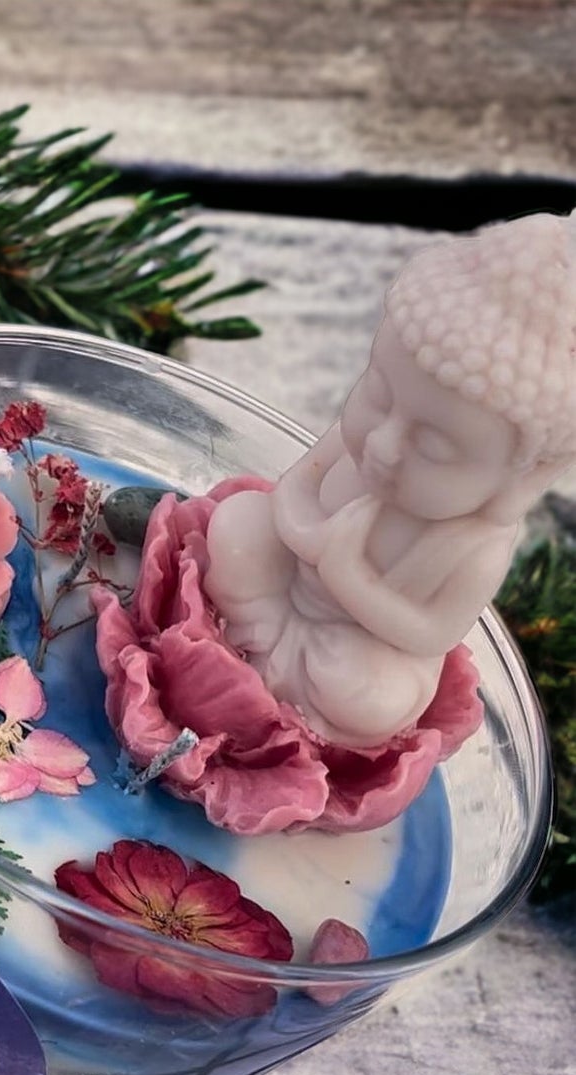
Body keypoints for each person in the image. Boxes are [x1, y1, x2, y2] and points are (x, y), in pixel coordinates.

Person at [204, 210, 576, 748]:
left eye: (435, 446)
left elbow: (429, 634)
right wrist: (306, 535)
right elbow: (294, 491)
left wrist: (349, 574)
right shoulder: (357, 445)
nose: (382, 444)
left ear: (518, 481)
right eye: (377, 395)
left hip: (351, 646)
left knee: (381, 698)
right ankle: (245, 638)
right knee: (239, 525)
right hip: (278, 583)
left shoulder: (476, 546)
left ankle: (279, 699)